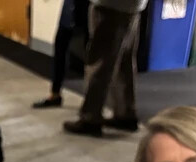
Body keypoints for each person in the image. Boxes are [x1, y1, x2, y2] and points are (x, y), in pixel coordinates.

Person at [62, 0, 145, 136]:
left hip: (110, 4)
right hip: (133, 6)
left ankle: (90, 117)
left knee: (99, 61)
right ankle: (125, 114)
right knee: (124, 61)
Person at [32, 0, 89, 109]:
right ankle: (55, 94)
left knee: (91, 55)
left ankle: (91, 102)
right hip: (70, 6)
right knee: (60, 48)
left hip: (88, 6)